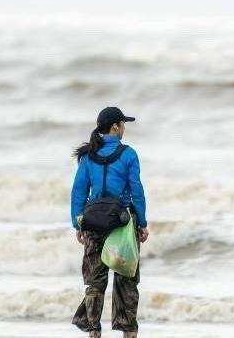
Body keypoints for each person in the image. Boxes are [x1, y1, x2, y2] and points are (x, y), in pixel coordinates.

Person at [70, 106, 149, 338]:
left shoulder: (87, 156)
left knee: (95, 282)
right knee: (126, 281)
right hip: (122, 224)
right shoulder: (128, 154)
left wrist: (78, 223)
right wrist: (142, 223)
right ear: (115, 127)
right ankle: (128, 333)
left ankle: (93, 332)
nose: (124, 128)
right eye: (123, 124)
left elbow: (79, 192)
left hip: (93, 223)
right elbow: (137, 191)